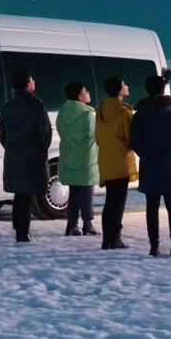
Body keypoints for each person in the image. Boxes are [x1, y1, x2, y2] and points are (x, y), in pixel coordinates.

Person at [129, 74, 171, 257]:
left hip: (150, 165)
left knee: (152, 206)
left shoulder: (140, 115)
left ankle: (154, 245)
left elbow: (135, 141)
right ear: (163, 89)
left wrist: (146, 154)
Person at [0, 69, 52, 243]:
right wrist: (40, 149)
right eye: (32, 79)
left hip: (14, 156)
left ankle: (19, 228)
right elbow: (45, 134)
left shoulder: (7, 107)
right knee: (27, 195)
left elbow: (2, 134)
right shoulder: (37, 105)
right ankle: (23, 231)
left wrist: (12, 147)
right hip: (32, 156)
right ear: (28, 83)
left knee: (20, 194)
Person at [94, 75, 138, 249]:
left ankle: (107, 238)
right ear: (120, 90)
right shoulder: (124, 112)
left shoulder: (101, 109)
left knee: (110, 202)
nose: (127, 86)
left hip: (106, 161)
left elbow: (98, 137)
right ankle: (114, 239)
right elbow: (131, 138)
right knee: (118, 203)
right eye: (124, 84)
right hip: (121, 163)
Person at [56, 81, 99, 237]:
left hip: (69, 156)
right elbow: (94, 134)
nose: (88, 93)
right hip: (87, 157)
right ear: (79, 96)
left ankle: (72, 224)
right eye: (86, 91)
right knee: (87, 191)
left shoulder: (63, 112)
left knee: (74, 192)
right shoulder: (88, 114)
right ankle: (88, 224)